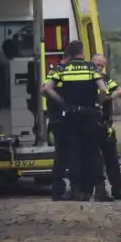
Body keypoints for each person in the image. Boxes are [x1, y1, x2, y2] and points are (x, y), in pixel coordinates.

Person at [42, 41, 112, 202]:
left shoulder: (61, 68)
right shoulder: (91, 67)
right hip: (90, 115)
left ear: (70, 54)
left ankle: (76, 191)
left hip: (71, 116)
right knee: (93, 154)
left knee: (74, 153)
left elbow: (46, 89)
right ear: (82, 52)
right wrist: (97, 104)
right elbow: (103, 89)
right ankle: (99, 191)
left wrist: (62, 102)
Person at [91, 53, 121, 200]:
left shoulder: (105, 78)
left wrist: (110, 96)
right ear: (91, 63)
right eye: (97, 64)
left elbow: (120, 91)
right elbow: (100, 98)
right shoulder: (90, 78)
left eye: (102, 65)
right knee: (96, 161)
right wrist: (109, 96)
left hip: (106, 124)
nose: (99, 67)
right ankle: (99, 191)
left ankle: (117, 189)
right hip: (93, 124)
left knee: (112, 160)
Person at [44, 52, 74, 201]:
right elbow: (46, 90)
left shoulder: (54, 72)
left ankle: (60, 190)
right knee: (63, 156)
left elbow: (45, 92)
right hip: (61, 118)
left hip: (57, 118)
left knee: (62, 156)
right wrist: (62, 101)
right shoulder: (60, 72)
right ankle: (59, 191)